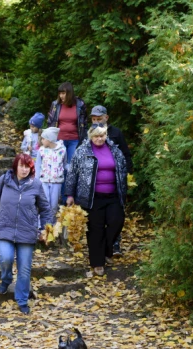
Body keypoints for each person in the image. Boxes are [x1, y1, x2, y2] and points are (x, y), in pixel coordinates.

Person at [0, 154, 54, 315]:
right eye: (21, 166)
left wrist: (46, 230)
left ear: (31, 168)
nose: (24, 170)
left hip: (27, 231)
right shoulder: (4, 180)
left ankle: (22, 300)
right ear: (15, 166)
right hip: (5, 228)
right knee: (6, 258)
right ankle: (6, 279)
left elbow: (45, 209)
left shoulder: (35, 184)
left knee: (24, 268)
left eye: (27, 167)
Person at [65, 124, 128, 276]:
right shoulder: (82, 151)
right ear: (90, 136)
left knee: (117, 221)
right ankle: (97, 262)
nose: (99, 139)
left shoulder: (115, 150)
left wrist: (123, 189)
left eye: (102, 135)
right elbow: (72, 173)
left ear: (106, 135)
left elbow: (123, 168)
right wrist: (70, 194)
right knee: (95, 229)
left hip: (113, 195)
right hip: (91, 197)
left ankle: (107, 250)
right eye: (96, 136)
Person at [88, 105, 133, 257]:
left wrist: (128, 173)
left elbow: (126, 154)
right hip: (96, 188)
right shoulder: (89, 135)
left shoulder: (116, 133)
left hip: (116, 184)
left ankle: (114, 243)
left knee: (116, 219)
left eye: (99, 119)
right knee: (99, 221)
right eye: (94, 119)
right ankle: (103, 248)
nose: (96, 122)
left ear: (106, 118)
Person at [47, 82, 88, 163]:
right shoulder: (55, 105)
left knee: (72, 165)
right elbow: (50, 122)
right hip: (59, 140)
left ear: (69, 93)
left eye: (63, 93)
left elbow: (84, 123)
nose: (61, 96)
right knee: (59, 164)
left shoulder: (80, 104)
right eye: (59, 93)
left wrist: (84, 138)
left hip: (75, 140)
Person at [35, 127, 66, 216]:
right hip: (43, 180)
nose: (41, 141)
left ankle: (52, 225)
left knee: (54, 205)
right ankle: (42, 225)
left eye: (43, 139)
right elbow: (38, 166)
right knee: (45, 203)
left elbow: (64, 164)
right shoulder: (41, 150)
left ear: (49, 139)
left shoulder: (62, 149)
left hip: (57, 181)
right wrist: (37, 181)